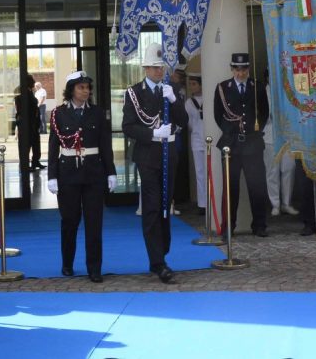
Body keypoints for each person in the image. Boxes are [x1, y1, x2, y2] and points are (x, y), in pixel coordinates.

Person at [122, 43, 188, 284]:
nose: (160, 72)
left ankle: (161, 252)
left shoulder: (169, 90)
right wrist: (152, 134)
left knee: (165, 203)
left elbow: (184, 120)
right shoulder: (134, 93)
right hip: (148, 155)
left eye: (161, 68)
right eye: (155, 68)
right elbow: (128, 126)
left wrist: (175, 100)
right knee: (151, 206)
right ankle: (158, 261)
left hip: (169, 152)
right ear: (146, 69)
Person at [46, 71, 117, 283]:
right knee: (69, 221)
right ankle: (67, 263)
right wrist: (52, 176)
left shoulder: (97, 113)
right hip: (67, 173)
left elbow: (105, 144)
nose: (86, 91)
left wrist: (111, 171)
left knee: (94, 222)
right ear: (71, 90)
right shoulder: (58, 113)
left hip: (93, 173)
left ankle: (94, 267)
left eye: (87, 87)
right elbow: (53, 147)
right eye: (81, 87)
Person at [213, 52, 271, 237]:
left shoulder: (257, 87)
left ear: (248, 69)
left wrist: (253, 131)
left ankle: (260, 225)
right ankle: (228, 226)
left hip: (252, 144)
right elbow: (218, 114)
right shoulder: (223, 87)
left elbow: (264, 112)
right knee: (230, 188)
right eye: (237, 69)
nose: (240, 73)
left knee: (257, 186)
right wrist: (231, 131)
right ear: (232, 69)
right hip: (231, 144)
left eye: (244, 69)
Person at [261, 69, 297, 217]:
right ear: (268, 77)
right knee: (272, 171)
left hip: (288, 135)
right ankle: (275, 204)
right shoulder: (262, 93)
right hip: (269, 135)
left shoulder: (288, 92)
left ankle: (286, 203)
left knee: (289, 168)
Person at [183, 72, 207, 214]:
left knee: (210, 170)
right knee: (199, 172)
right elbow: (189, 123)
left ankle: (211, 200)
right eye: (190, 84)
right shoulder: (188, 103)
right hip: (197, 140)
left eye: (194, 84)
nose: (192, 87)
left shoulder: (208, 98)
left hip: (209, 139)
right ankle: (202, 203)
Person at [14, 74, 43, 172]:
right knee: (26, 146)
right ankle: (25, 165)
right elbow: (29, 107)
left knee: (35, 144)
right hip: (28, 124)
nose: (34, 83)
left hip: (32, 124)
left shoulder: (28, 92)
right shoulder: (24, 93)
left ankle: (35, 162)